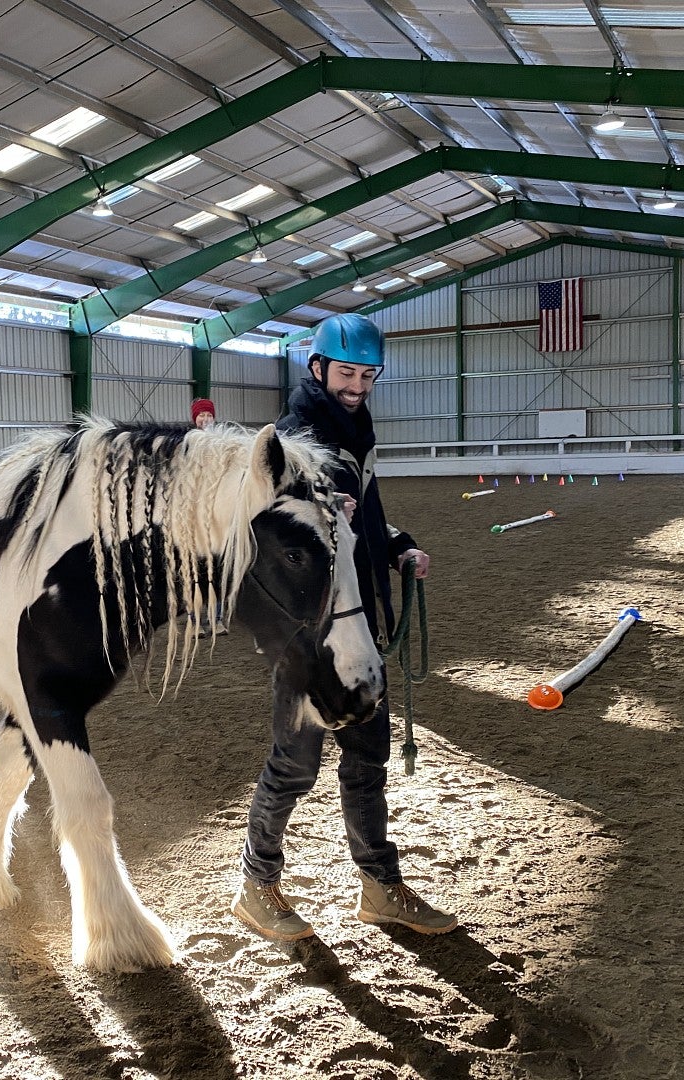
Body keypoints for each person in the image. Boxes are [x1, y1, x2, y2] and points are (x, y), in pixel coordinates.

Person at [232, 312, 457, 942]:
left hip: (361, 616)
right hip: (312, 635)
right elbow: (269, 529)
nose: (357, 385)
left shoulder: (355, 426)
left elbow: (367, 517)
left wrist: (398, 547)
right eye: (347, 372)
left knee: (366, 760)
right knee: (295, 764)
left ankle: (380, 888)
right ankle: (257, 884)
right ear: (317, 368)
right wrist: (319, 510)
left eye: (367, 374)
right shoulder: (295, 434)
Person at [190, 398, 227, 635]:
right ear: (194, 419)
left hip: (217, 511)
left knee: (218, 566)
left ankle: (218, 619)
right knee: (195, 567)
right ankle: (195, 621)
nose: (205, 419)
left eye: (208, 415)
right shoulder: (190, 444)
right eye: (201, 415)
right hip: (194, 512)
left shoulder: (222, 443)